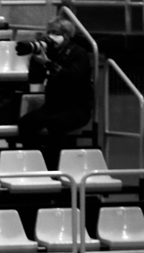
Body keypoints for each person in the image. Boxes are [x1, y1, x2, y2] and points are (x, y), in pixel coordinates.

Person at [17, 16, 93, 156]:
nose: (51, 36)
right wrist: (35, 60)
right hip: (52, 107)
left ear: (66, 35)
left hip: (76, 108)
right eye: (49, 32)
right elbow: (35, 79)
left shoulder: (78, 53)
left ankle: (54, 162)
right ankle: (35, 159)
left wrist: (48, 63)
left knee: (56, 123)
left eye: (55, 32)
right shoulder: (50, 53)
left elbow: (71, 78)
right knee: (26, 123)